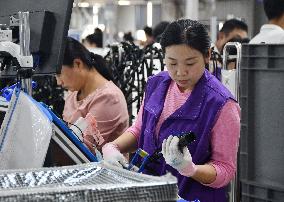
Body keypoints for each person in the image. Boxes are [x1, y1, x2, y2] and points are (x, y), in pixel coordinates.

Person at [102, 19, 240, 201]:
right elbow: (139, 131)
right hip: (150, 193)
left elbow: (225, 169)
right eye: (173, 63)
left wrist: (191, 169)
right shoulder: (156, 84)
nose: (181, 72)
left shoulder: (221, 104)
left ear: (207, 55)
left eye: (190, 63)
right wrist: (113, 147)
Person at [56, 37, 129, 153]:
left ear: (78, 64)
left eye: (59, 75)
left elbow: (84, 149)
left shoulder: (109, 98)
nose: (58, 82)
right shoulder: (73, 93)